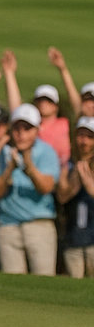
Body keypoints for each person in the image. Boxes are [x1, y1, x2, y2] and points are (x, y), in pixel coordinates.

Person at [0, 104, 59, 275]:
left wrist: (30, 168)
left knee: (44, 282)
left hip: (39, 226)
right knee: (13, 285)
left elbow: (46, 187)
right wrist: (9, 170)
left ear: (36, 130)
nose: (21, 133)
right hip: (8, 225)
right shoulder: (2, 154)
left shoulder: (46, 152)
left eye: (27, 128)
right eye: (17, 128)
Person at [57, 116, 94, 278]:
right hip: (73, 240)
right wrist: (76, 176)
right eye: (81, 136)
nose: (84, 141)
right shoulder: (68, 165)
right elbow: (62, 196)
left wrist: (87, 178)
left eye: (89, 137)